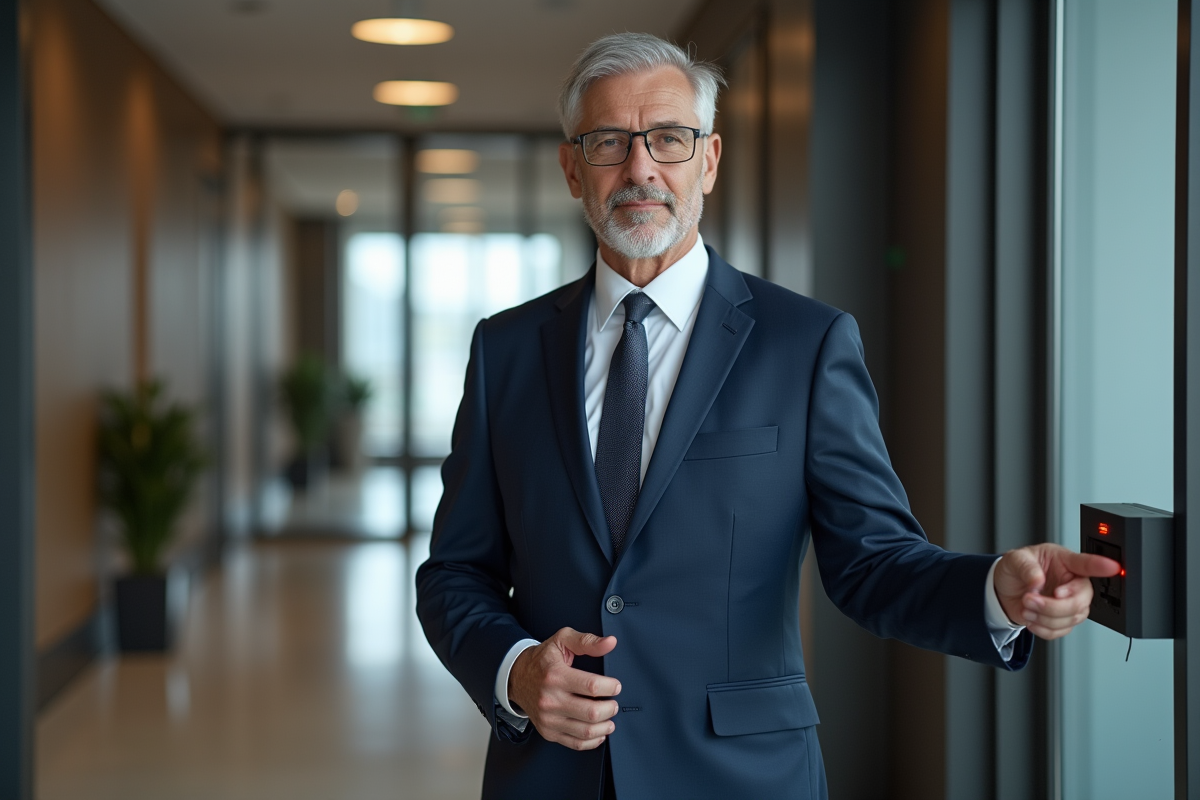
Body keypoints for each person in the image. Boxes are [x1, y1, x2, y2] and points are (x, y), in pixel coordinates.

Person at [415, 32, 1119, 800]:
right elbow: (454, 573)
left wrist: (993, 589)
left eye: (669, 140)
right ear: (572, 168)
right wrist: (515, 670)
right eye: (611, 142)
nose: (641, 168)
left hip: (741, 776)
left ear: (708, 161)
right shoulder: (506, 350)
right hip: (549, 775)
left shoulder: (807, 343)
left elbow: (874, 562)